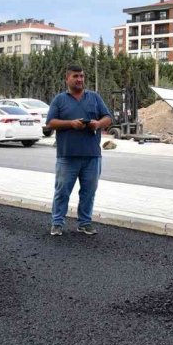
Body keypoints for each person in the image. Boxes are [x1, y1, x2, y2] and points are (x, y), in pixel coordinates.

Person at [45, 65, 113, 236]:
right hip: (67, 156)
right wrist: (70, 124)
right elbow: (50, 123)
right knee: (62, 191)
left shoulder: (94, 98)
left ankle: (85, 223)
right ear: (67, 78)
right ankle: (57, 223)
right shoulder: (60, 100)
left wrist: (98, 124)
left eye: (82, 76)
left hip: (92, 156)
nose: (80, 79)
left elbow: (108, 118)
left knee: (89, 192)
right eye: (76, 76)